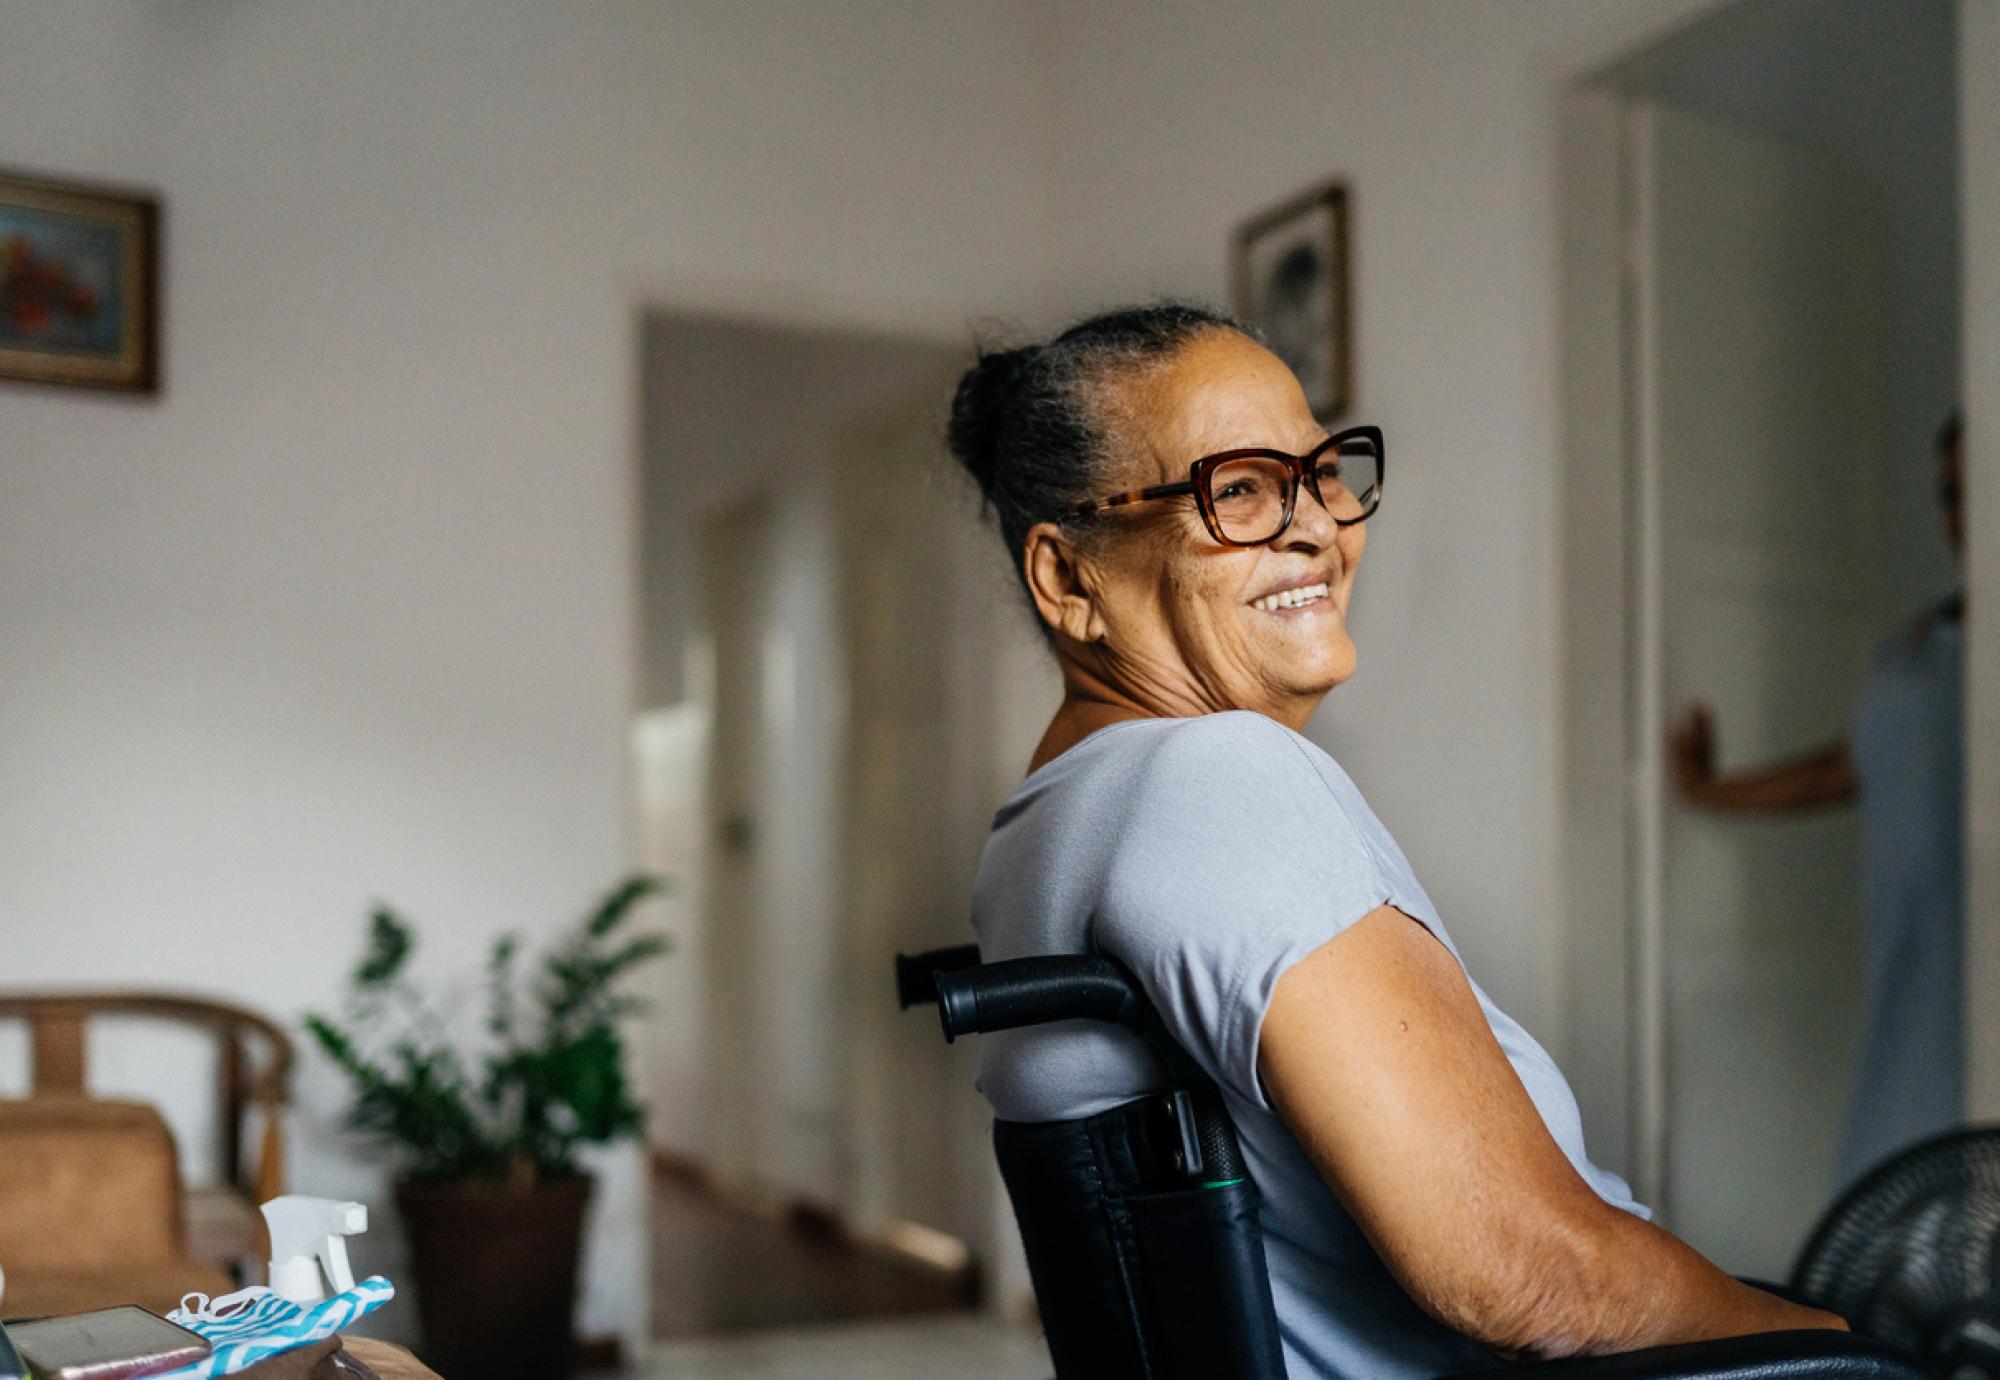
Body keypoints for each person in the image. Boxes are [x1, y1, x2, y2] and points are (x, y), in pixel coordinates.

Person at [949, 304, 1845, 1378]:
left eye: (1321, 472)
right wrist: (1845, 1350)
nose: (1317, 526)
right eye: (1236, 489)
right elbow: (1531, 1273)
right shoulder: (1214, 773)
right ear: (1067, 579)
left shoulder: (1040, 829)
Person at [1670, 414, 1966, 1191]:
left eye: (1978, 488)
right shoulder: (1920, 641)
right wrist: (1709, 788)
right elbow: (1853, 766)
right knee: (1895, 1203)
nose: (1961, 514)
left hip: (1978, 982)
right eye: (1948, 494)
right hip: (1912, 988)